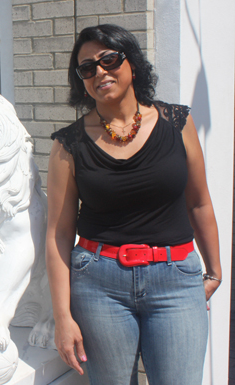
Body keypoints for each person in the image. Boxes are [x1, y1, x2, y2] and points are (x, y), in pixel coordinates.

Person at [46, 24, 222, 385]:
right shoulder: (69, 144)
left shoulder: (178, 123)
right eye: (87, 68)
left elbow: (200, 203)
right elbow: (58, 234)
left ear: (133, 64)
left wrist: (215, 272)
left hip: (175, 279)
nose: (100, 72)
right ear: (82, 81)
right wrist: (62, 316)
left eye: (109, 60)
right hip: (98, 285)